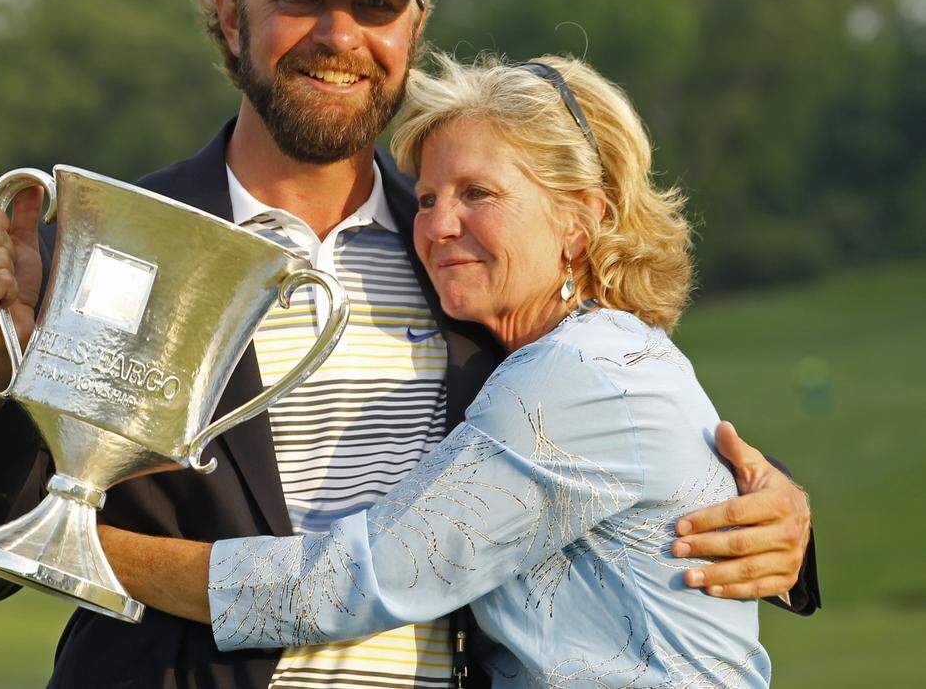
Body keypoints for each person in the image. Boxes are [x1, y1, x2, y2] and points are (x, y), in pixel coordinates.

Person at [0, 0, 817, 689]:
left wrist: (775, 514)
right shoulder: (119, 240)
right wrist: (3, 361)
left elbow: (615, 433)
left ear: (413, 30)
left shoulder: (474, 260)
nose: (340, 34)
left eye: (376, 5)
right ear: (232, 17)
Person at [97, 53, 786, 686]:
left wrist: (80, 548)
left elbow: (342, 585)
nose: (438, 225)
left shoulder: (579, 374)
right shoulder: (594, 355)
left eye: (478, 193)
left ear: (580, 218)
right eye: (426, 198)